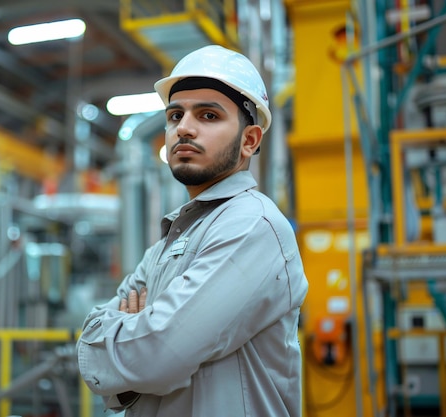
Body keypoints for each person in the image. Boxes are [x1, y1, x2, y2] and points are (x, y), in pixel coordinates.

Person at [76, 44, 309, 417]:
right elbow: (117, 343)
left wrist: (127, 339)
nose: (183, 128)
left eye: (208, 115)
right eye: (174, 115)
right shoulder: (171, 241)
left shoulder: (252, 226)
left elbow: (157, 356)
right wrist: (133, 341)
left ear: (249, 140)